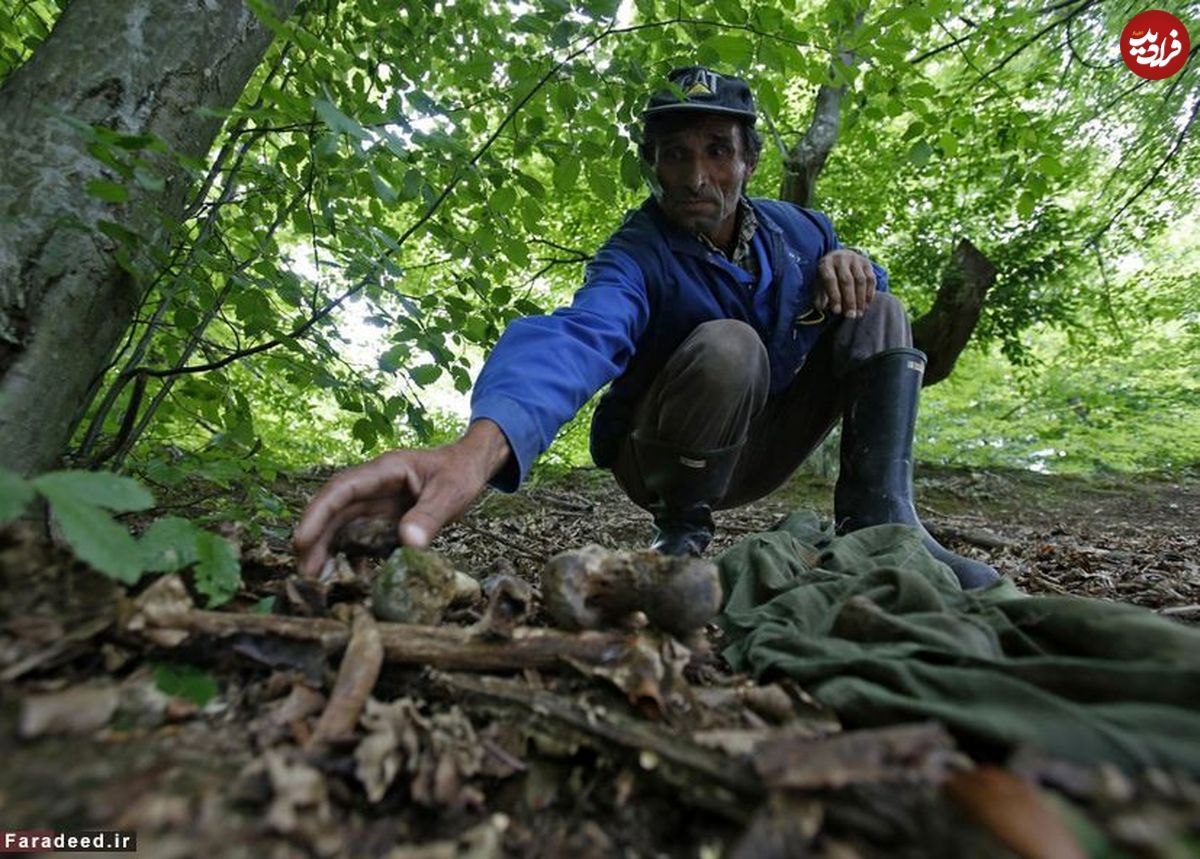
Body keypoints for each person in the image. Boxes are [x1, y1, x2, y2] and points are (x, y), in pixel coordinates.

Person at [295, 66, 1000, 590]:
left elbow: (859, 293)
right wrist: (479, 449)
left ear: (748, 161)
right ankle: (681, 533)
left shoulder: (802, 231)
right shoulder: (637, 254)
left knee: (884, 307)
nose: (697, 176)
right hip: (660, 457)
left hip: (766, 441)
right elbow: (579, 335)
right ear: (653, 166)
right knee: (731, 342)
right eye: (675, 154)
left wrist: (855, 266)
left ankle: (883, 523)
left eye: (717, 150)